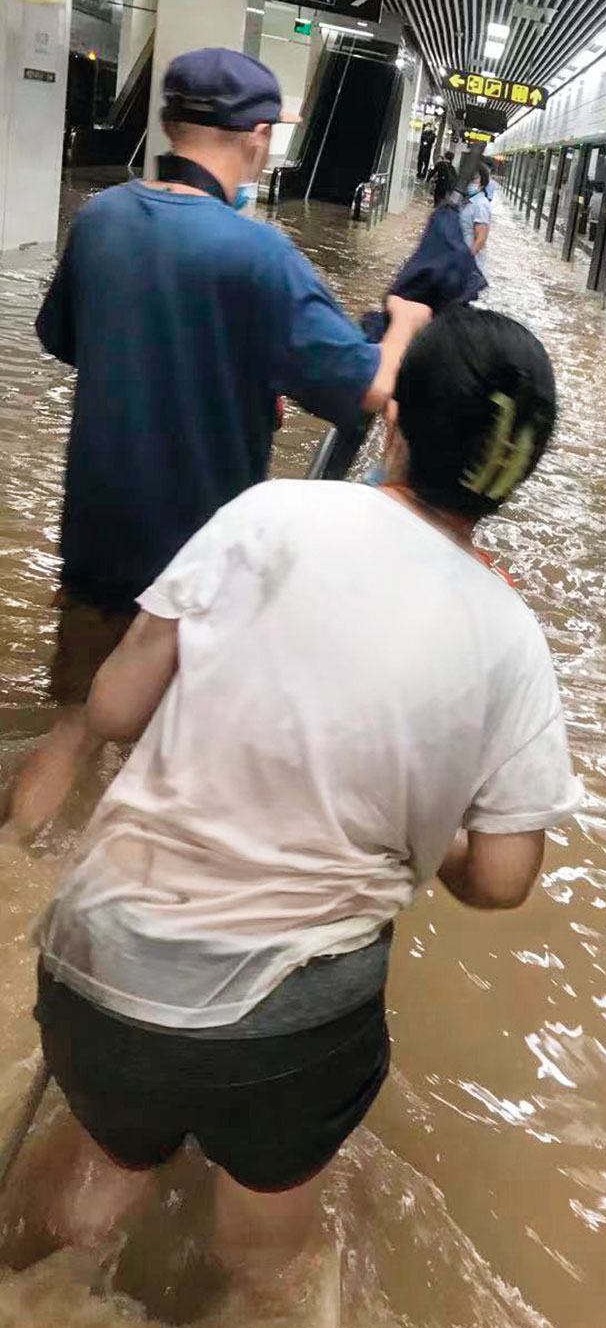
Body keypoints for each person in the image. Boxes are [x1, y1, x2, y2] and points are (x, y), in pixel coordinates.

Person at [12, 307, 581, 1297]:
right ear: (515, 475)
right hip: (294, 1024)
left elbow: (113, 703)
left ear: (394, 418)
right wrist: (432, 833)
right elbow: (501, 876)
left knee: (95, 1183)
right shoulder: (511, 640)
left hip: (107, 955)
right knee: (266, 1247)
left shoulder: (268, 515)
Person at [3, 47, 421, 837]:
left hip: (96, 542)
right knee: (182, 768)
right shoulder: (261, 256)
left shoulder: (100, 221)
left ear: (167, 123)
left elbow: (65, 338)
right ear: (258, 139)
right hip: (202, 572)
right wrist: (404, 325)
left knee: (75, 731)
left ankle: (14, 858)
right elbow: (371, 389)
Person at [459, 160, 492, 283]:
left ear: (482, 183)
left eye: (473, 179)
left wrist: (465, 260)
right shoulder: (465, 201)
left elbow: (481, 239)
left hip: (468, 265)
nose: (469, 183)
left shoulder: (481, 205)